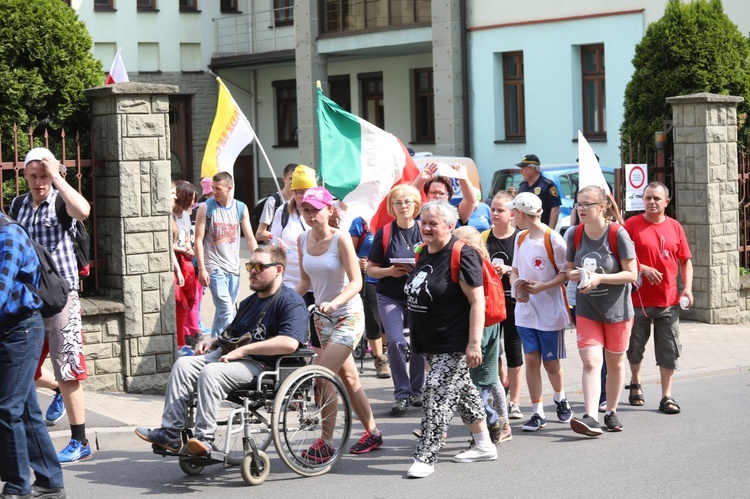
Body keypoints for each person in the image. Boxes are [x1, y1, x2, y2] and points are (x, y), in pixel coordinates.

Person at [134, 245, 308, 455]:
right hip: (233, 358)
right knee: (183, 364)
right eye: (250, 265)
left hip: (263, 365)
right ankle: (171, 434)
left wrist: (244, 351)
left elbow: (289, 343)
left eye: (259, 266)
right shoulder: (249, 302)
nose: (252, 271)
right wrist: (214, 341)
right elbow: (234, 332)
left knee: (211, 372)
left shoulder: (290, 301)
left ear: (278, 270)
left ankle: (203, 439)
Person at [405, 200, 497, 479]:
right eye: (424, 222)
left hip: (453, 340)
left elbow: (477, 301)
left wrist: (473, 343)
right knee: (464, 390)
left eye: (434, 223)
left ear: (450, 226)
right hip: (431, 341)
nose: (427, 227)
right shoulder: (424, 252)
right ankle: (483, 444)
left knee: (435, 393)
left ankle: (425, 455)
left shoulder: (462, 253)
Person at [15, 147, 92, 463]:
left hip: (62, 298)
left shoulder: (62, 200)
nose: (38, 182)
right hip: (29, 297)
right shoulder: (19, 204)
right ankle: (56, 392)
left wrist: (58, 176)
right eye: (33, 176)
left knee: (68, 370)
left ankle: (80, 441)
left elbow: (84, 210)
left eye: (43, 175)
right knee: (20, 366)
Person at [294, 187, 383, 461]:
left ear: (329, 210)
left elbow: (357, 281)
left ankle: (326, 442)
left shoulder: (341, 239)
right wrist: (281, 300)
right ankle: (373, 432)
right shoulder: (301, 239)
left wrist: (335, 302)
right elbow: (306, 281)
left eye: (315, 209)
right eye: (305, 210)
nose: (310, 215)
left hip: (347, 315)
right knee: (349, 377)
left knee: (322, 375)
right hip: (322, 320)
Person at [0, 213, 66, 499]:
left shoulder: (8, 235)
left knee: (7, 409)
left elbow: (1, 290)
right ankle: (51, 481)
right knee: (25, 409)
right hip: (9, 330)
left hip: (21, 331)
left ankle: (18, 486)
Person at [565, 186, 638, 436]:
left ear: (602, 206)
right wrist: (575, 275)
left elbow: (632, 273)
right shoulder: (574, 234)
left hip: (617, 310)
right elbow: (568, 269)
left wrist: (599, 279)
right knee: (591, 361)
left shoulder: (618, 234)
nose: (581, 209)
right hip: (587, 309)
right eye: (578, 204)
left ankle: (611, 411)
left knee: (615, 363)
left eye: (587, 204)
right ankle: (590, 416)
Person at [624, 181, 693, 415]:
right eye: (647, 198)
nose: (651, 202)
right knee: (635, 348)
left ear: (666, 202)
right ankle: (635, 382)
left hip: (668, 302)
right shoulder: (631, 225)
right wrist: (642, 268)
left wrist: (687, 288)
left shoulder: (675, 227)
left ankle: (667, 396)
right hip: (637, 301)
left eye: (656, 198)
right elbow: (620, 257)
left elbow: (685, 260)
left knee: (669, 349)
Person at [507, 192, 572, 432]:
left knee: (551, 363)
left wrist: (542, 287)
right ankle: (537, 412)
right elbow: (514, 269)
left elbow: (567, 272)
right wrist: (517, 287)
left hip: (550, 311)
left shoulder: (553, 239)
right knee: (531, 359)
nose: (512, 216)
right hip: (525, 310)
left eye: (514, 212)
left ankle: (560, 397)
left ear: (522, 214)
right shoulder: (520, 237)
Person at [367, 185, 425, 414]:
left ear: (416, 205)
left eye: (408, 201)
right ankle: (402, 393)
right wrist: (389, 271)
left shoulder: (424, 229)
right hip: (390, 293)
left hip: (420, 295)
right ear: (392, 207)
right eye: (398, 203)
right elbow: (371, 270)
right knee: (395, 341)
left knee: (420, 343)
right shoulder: (385, 232)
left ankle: (417, 391)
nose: (403, 206)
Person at [454, 226, 512, 445]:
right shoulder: (482, 262)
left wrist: (474, 342)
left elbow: (477, 302)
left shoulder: (473, 264)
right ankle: (495, 422)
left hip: (481, 327)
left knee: (478, 386)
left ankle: (491, 426)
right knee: (483, 382)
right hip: (485, 326)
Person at [194, 171, 258, 337]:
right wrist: (202, 268)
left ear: (229, 188)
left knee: (223, 311)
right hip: (214, 266)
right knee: (226, 309)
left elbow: (250, 238)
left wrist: (258, 263)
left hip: (233, 267)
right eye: (213, 188)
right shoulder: (206, 207)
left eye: (218, 189)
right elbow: (198, 240)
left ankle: (213, 345)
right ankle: (231, 342)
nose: (214, 192)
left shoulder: (240, 208)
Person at [483, 191, 525, 420]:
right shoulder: (483, 237)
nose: (495, 213)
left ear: (512, 214)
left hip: (513, 303)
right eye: (493, 209)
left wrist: (509, 270)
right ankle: (499, 390)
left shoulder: (521, 238)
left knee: (514, 352)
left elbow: (529, 269)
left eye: (501, 210)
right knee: (492, 353)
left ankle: (515, 402)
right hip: (490, 305)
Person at [269, 164, 319, 350]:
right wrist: (277, 248)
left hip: (321, 285)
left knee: (319, 338)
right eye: (297, 192)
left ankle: (320, 375)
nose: (301, 197)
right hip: (292, 282)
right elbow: (274, 243)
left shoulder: (324, 212)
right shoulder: (283, 212)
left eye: (306, 192)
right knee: (295, 334)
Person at [349, 216, 390, 379]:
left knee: (389, 320)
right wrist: (359, 262)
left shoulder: (393, 221)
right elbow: (350, 252)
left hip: (392, 277)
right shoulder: (360, 222)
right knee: (374, 319)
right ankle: (379, 358)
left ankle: (386, 352)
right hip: (369, 279)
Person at [172, 181, 199, 355]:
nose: (193, 202)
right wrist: (182, 249)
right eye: (190, 198)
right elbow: (168, 244)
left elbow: (187, 237)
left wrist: (189, 249)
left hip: (186, 262)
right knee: (178, 303)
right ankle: (180, 343)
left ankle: (181, 342)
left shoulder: (187, 215)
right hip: (176, 262)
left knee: (187, 303)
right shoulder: (170, 216)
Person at [516, 154, 562, 229]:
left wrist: (549, 231)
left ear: (532, 169)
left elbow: (555, 209)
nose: (521, 171)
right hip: (523, 230)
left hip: (540, 230)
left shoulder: (547, 185)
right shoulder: (523, 186)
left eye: (523, 168)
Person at [255, 163, 297, 243]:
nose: (293, 182)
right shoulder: (273, 201)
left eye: (296, 179)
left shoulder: (300, 201)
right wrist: (279, 239)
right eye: (291, 178)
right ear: (284, 179)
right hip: (276, 251)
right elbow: (260, 233)